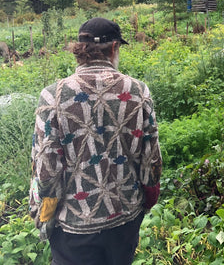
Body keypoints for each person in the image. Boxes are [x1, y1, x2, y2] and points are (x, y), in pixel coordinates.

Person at [29, 17, 162, 265]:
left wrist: (42, 213)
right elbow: (151, 160)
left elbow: (46, 170)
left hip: (74, 227)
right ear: (113, 49)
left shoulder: (52, 95)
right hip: (125, 219)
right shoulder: (138, 91)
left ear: (80, 51)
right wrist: (149, 198)